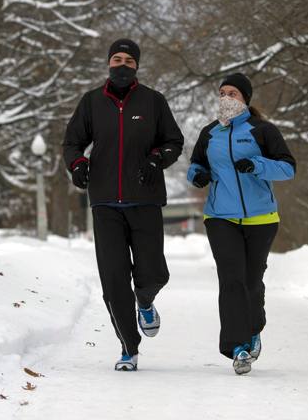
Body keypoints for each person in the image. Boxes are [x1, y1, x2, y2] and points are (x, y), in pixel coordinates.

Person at [62, 38, 184, 372]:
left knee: (153, 271)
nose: (122, 64)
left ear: (137, 67)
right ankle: (128, 348)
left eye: (129, 60)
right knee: (114, 279)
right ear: (108, 63)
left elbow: (174, 141)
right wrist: (77, 165)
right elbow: (72, 142)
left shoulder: (153, 102)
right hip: (104, 203)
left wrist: (157, 159)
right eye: (117, 58)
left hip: (144, 199)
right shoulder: (91, 103)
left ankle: (145, 300)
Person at [187, 73, 296, 375]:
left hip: (261, 218)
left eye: (232, 93)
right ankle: (238, 348)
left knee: (251, 280)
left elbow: (288, 168)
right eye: (222, 93)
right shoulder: (209, 133)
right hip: (220, 217)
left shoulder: (263, 130)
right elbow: (196, 165)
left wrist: (258, 165)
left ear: (245, 98)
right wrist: (197, 176)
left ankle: (253, 329)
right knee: (231, 279)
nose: (226, 98)